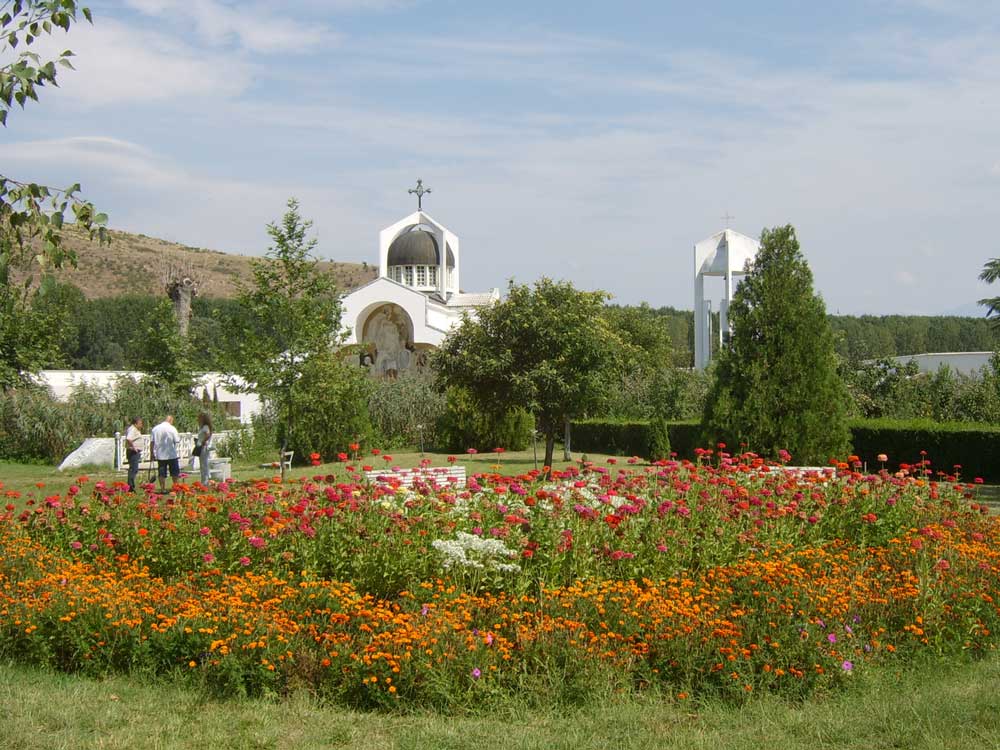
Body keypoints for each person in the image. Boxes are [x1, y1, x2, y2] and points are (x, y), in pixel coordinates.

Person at [150, 415, 181, 492]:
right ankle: (175, 487)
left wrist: (151, 453)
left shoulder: (155, 429)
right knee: (174, 473)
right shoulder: (172, 428)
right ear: (170, 420)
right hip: (171, 454)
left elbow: (152, 442)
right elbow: (177, 440)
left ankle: (163, 488)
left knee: (161, 473)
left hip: (160, 455)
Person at [124, 416, 145, 492]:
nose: (141, 425)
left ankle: (130, 486)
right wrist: (134, 447)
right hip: (133, 452)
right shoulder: (133, 429)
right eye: (140, 423)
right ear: (136, 423)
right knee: (133, 469)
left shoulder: (134, 429)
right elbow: (129, 438)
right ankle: (130, 487)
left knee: (134, 469)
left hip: (134, 451)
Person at [194, 412, 213, 485]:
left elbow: (208, 434)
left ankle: (206, 481)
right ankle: (204, 480)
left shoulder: (205, 427)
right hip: (201, 446)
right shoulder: (202, 427)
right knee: (202, 464)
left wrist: (203, 441)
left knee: (204, 464)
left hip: (204, 447)